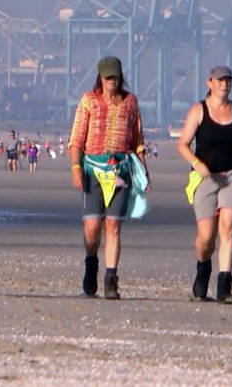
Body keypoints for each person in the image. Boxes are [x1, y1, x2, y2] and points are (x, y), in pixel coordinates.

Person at [176, 65, 232, 304]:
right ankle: (203, 267)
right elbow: (183, 144)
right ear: (210, 83)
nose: (225, 85)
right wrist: (197, 164)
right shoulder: (199, 110)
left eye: (228, 81)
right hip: (206, 177)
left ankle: (224, 284)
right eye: (220, 80)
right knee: (206, 239)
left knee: (228, 225)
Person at [68, 56, 150, 299]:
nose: (111, 82)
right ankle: (91, 263)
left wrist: (144, 172)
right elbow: (76, 140)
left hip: (121, 170)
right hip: (93, 168)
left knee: (113, 226)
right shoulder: (88, 101)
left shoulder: (130, 103)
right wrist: (75, 168)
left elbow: (138, 141)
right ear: (100, 78)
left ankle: (111, 279)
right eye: (107, 78)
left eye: (115, 77)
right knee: (93, 228)